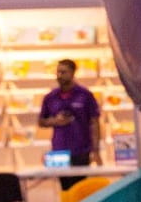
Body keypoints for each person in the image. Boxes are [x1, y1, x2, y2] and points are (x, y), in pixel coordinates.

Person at [37, 58, 102, 190]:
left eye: (63, 72)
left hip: (81, 150)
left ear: (72, 73)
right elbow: (41, 121)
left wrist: (95, 150)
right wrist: (55, 121)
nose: (59, 75)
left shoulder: (85, 95)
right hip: (59, 150)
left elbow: (94, 122)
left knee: (80, 188)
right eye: (58, 72)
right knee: (65, 188)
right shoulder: (50, 97)